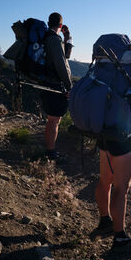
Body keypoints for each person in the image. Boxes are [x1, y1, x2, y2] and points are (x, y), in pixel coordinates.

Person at [93, 44, 131, 248]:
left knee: (105, 182)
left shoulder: (100, 77)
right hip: (123, 139)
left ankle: (104, 221)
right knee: (121, 188)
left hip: (102, 132)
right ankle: (120, 236)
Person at [40, 12, 73, 160]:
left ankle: (50, 150)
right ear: (60, 25)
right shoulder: (53, 39)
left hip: (46, 82)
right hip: (53, 85)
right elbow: (61, 64)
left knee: (53, 119)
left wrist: (67, 40)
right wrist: (69, 87)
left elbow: (64, 56)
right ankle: (50, 153)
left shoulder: (47, 38)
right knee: (54, 120)